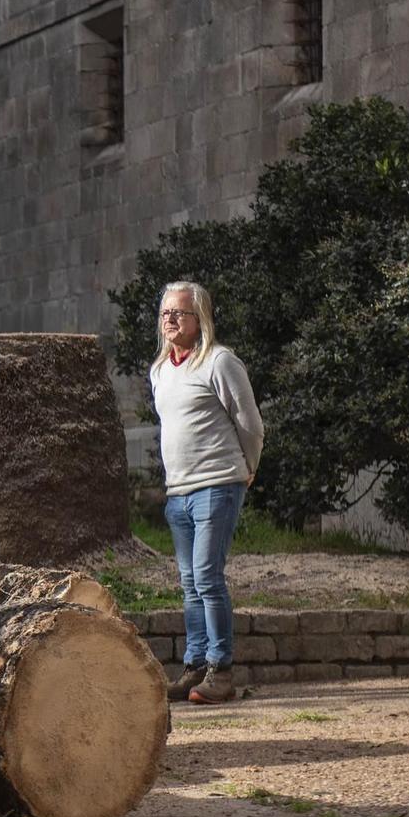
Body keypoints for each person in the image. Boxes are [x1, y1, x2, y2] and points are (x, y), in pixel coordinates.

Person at [150, 281, 263, 706]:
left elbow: (250, 423)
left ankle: (221, 670)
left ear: (201, 320)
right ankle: (195, 666)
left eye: (179, 314)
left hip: (217, 484)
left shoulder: (220, 362)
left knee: (207, 577)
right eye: (165, 314)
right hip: (178, 492)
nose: (170, 321)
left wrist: (248, 468)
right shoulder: (160, 371)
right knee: (188, 582)